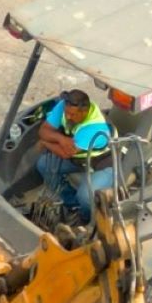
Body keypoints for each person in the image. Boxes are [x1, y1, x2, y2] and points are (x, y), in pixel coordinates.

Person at [33, 88, 114, 217]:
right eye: (66, 113)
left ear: (85, 112)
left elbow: (66, 153)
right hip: (79, 159)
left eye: (73, 115)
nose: (68, 117)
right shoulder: (65, 106)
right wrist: (61, 138)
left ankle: (87, 217)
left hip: (101, 164)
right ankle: (71, 204)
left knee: (86, 197)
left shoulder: (94, 128)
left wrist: (45, 143)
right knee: (43, 165)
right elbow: (44, 130)